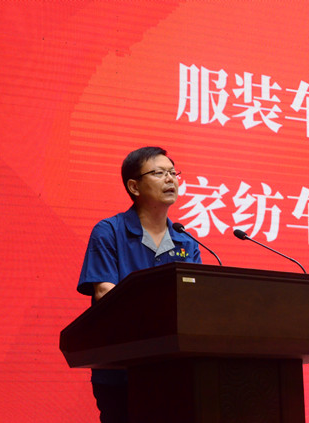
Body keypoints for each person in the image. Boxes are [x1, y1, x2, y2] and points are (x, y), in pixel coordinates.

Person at [77, 146, 201, 423]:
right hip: (122, 370)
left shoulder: (186, 241)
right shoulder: (110, 232)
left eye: (173, 173)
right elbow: (105, 294)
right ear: (134, 186)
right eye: (159, 173)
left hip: (175, 371)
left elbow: (197, 302)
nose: (170, 179)